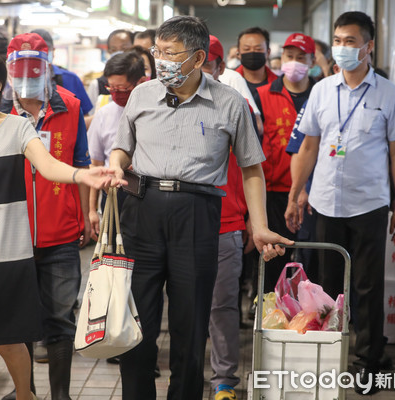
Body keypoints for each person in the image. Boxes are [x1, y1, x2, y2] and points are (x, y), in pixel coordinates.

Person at [107, 16, 292, 399]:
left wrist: (258, 227)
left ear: (197, 58)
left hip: (198, 213)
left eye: (171, 54)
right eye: (158, 51)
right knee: (136, 320)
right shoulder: (142, 94)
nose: (161, 61)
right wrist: (114, 164)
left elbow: (252, 168)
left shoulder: (228, 103)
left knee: (190, 325)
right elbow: (123, 147)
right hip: (142, 208)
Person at [0, 45, 114, 400]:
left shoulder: (17, 127)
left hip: (7, 254)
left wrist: (83, 176)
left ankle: (25, 396)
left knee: (10, 340)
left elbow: (48, 167)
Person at [284, 11, 395, 395]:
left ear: (369, 47)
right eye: (337, 40)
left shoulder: (388, 93)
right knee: (323, 285)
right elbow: (308, 146)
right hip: (324, 202)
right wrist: (294, 194)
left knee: (369, 287)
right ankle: (326, 354)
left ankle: (367, 361)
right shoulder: (321, 90)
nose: (342, 48)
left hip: (369, 204)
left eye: (351, 41)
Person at [0, 32, 93, 400]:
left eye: (34, 67)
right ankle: (26, 393)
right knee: (19, 321)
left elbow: (81, 164)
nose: (27, 76)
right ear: (8, 69)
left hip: (61, 235)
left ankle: (61, 395)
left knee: (59, 320)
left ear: (47, 66)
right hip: (10, 235)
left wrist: (87, 214)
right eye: (19, 68)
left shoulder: (69, 106)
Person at [200, 35, 254, 400]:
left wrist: (254, 218)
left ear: (220, 67)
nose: (200, 70)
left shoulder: (236, 107)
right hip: (182, 224)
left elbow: (252, 169)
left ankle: (223, 379)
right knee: (186, 305)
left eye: (207, 62)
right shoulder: (165, 106)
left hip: (227, 223)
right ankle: (187, 372)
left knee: (222, 305)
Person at [256, 33, 316, 291]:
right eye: (290, 56)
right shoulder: (263, 94)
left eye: (301, 57)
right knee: (274, 262)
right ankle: (272, 312)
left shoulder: (322, 93)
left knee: (312, 261)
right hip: (273, 190)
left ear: (312, 60)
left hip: (314, 194)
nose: (294, 62)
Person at [88, 51, 147, 240]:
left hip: (149, 196)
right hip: (114, 195)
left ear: (141, 82)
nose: (116, 94)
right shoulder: (104, 114)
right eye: (111, 88)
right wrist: (91, 210)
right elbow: (95, 164)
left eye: (121, 89)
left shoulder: (154, 111)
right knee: (114, 256)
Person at [204, 35, 262, 135]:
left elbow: (257, 125)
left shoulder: (232, 78)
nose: (197, 71)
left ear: (220, 67)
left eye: (206, 64)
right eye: (194, 63)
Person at [30, 29, 94, 116]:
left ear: (53, 51)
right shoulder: (18, 83)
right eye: (36, 50)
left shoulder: (71, 79)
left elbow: (85, 115)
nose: (41, 54)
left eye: (45, 50)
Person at [86, 29, 133, 110]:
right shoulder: (98, 85)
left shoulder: (141, 80)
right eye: (113, 50)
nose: (119, 52)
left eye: (124, 49)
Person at [234, 27, 278, 110]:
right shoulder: (228, 83)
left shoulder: (279, 85)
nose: (252, 52)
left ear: (268, 52)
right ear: (238, 53)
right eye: (246, 49)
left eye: (258, 49)